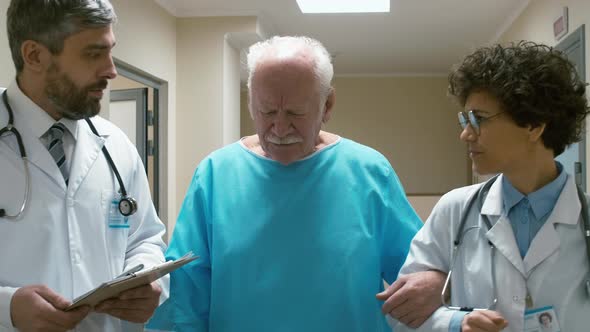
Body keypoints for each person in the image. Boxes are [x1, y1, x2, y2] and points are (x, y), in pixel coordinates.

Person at [148, 36, 443, 331]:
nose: (279, 127)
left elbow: (418, 271)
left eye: (294, 113)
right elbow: (186, 297)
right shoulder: (215, 174)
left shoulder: (370, 172)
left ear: (327, 105)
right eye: (266, 112)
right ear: (251, 102)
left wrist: (437, 281)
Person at [386, 41, 590, 332]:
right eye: (465, 120)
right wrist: (456, 323)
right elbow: (399, 314)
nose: (466, 135)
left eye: (478, 119)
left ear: (534, 125)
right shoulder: (455, 210)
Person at [0, 1, 168, 331]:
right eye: (93, 54)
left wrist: (147, 281)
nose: (111, 70)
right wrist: (7, 309)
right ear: (34, 55)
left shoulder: (115, 144)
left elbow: (145, 238)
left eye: (110, 51)